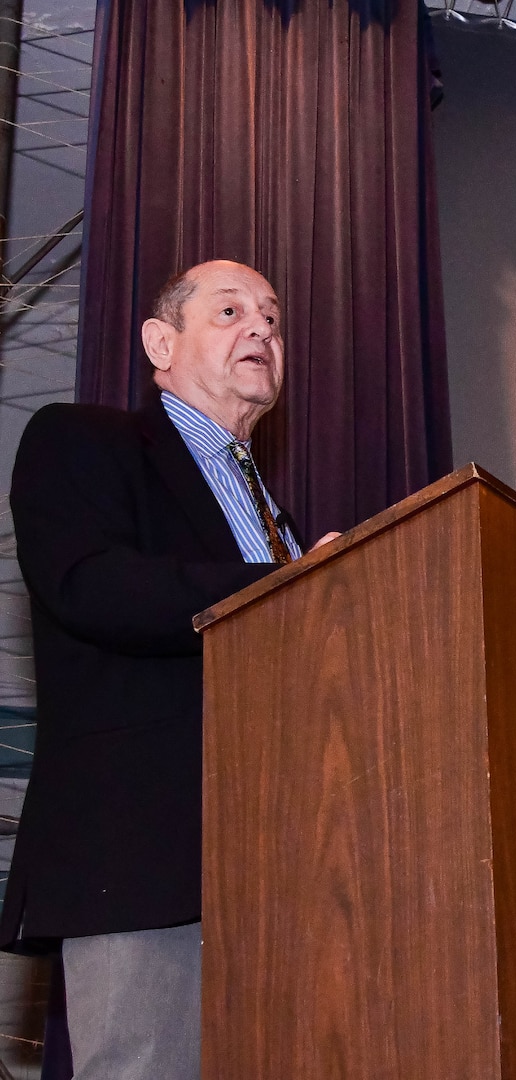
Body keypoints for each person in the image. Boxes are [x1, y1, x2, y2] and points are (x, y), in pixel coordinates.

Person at [0, 261, 339, 1079]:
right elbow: (91, 585)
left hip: (295, 866)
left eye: (271, 317)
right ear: (162, 341)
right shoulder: (82, 440)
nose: (261, 328)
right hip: (145, 851)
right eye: (230, 311)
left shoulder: (277, 520)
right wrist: (286, 586)